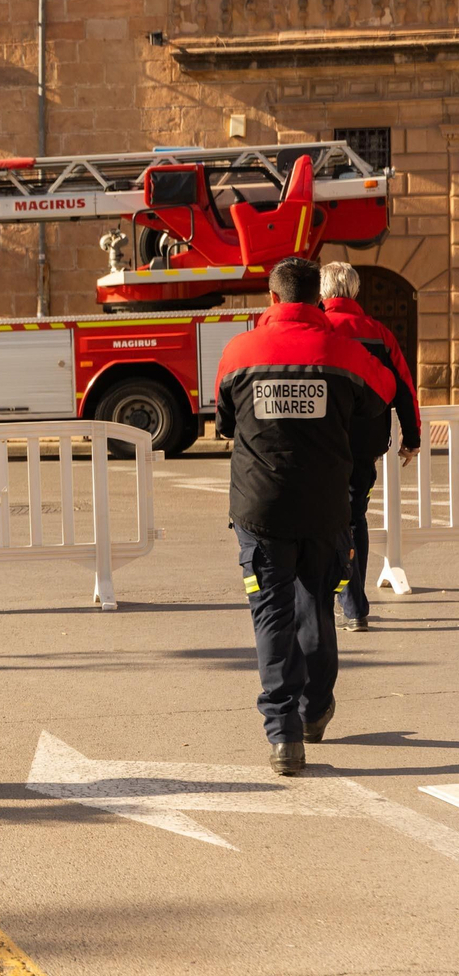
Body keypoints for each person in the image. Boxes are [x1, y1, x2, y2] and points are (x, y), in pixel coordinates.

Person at [215, 259, 394, 776]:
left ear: (272, 300)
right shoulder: (345, 352)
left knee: (271, 615)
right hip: (327, 507)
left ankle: (283, 737)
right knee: (317, 605)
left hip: (260, 508)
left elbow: (225, 422)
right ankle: (314, 711)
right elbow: (382, 397)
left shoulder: (239, 351)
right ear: (318, 300)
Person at [319, 262, 421, 633]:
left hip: (318, 444)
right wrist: (412, 438)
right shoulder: (378, 333)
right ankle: (354, 606)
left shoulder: (316, 328)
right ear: (356, 292)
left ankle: (327, 598)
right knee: (353, 518)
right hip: (364, 445)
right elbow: (404, 390)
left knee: (320, 521)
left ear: (323, 293)